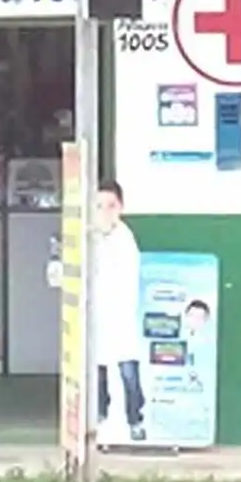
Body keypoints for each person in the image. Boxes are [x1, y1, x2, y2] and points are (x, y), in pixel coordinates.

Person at [90, 180, 145, 445]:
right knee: (97, 371)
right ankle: (100, 418)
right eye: (99, 206)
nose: (105, 212)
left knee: (128, 371)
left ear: (121, 208)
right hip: (96, 315)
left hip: (120, 314)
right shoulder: (91, 237)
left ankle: (135, 420)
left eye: (111, 205)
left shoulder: (124, 240)